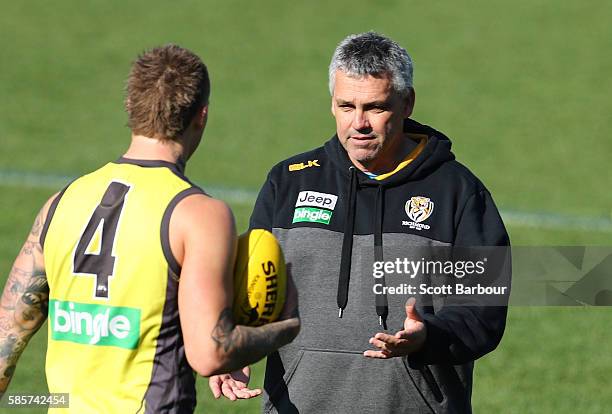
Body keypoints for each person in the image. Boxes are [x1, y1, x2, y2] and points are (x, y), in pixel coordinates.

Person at [220, 32, 510, 412]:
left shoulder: (458, 192)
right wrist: (236, 347)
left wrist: (428, 337)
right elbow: (252, 286)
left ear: (406, 103)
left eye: (375, 107)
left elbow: (484, 311)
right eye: (346, 106)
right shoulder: (289, 181)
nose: (359, 123)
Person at [0, 44, 299, 413]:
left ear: (131, 108)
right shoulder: (198, 214)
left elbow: (7, 338)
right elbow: (210, 353)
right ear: (201, 116)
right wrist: (286, 326)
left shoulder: (61, 203)